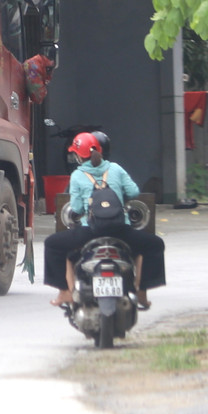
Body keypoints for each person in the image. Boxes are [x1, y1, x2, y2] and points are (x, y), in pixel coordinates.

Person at [45, 132, 167, 309]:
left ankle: (66, 292)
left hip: (90, 232)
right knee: (154, 244)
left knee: (53, 244)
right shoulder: (116, 169)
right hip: (121, 230)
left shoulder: (78, 176)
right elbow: (133, 192)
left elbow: (77, 208)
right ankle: (141, 291)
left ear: (79, 156)